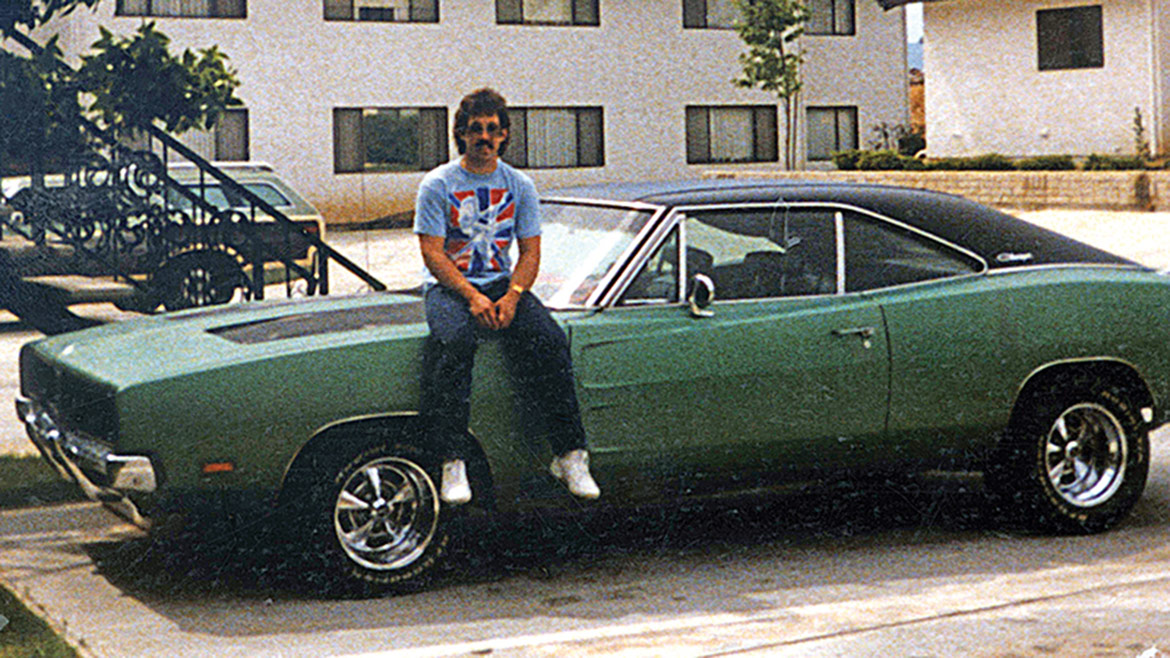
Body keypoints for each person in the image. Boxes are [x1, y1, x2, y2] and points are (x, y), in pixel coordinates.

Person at [413, 87, 600, 505]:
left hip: (501, 281)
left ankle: (570, 454)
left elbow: (531, 251)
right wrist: (472, 297)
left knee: (550, 339)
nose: (484, 137)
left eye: (492, 130)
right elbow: (431, 252)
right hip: (449, 285)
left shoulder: (519, 184)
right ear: (460, 133)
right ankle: (452, 461)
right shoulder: (438, 184)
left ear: (504, 135)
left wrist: (513, 297)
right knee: (456, 342)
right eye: (475, 129)